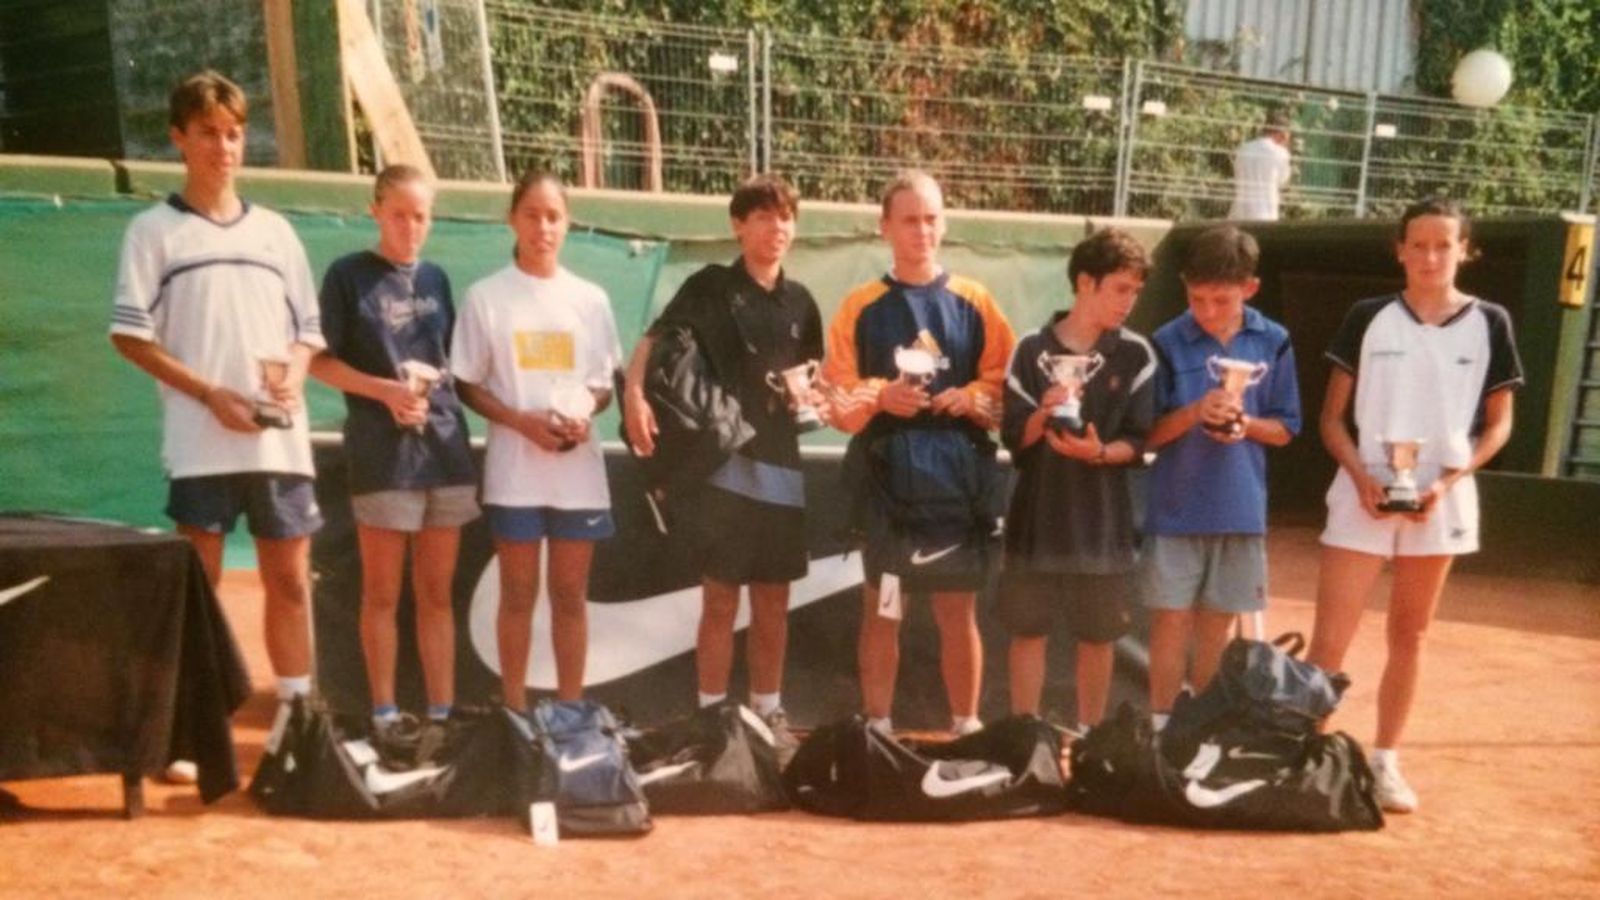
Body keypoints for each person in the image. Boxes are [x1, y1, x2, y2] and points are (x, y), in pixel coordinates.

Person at [109, 71, 324, 783]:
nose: (223, 146)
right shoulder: (152, 231)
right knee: (195, 588)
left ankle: (297, 719)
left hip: (279, 444)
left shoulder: (278, 232)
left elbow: (308, 333)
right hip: (201, 443)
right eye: (208, 132)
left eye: (233, 133)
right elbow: (130, 337)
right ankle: (189, 727)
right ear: (179, 137)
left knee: (289, 581)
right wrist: (211, 395)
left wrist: (292, 371)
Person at [1308, 198, 1522, 813]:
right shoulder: (1367, 317)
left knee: (1412, 633)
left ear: (1464, 251)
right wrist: (1361, 476)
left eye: (1444, 245)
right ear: (1400, 250)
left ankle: (1385, 763)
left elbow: (1499, 425)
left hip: (1442, 501)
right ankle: (1310, 755)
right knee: (1331, 640)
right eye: (1418, 244)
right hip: (1362, 495)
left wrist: (1447, 483)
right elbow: (1331, 418)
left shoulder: (1492, 322)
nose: (1431, 256)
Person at [622, 175, 824, 742]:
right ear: (738, 225)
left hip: (782, 468)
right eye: (762, 216)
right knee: (719, 599)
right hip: (723, 469)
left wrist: (814, 396)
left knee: (774, 601)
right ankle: (711, 715)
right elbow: (650, 342)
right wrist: (635, 396)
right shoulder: (710, 286)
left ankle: (767, 712)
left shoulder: (802, 302)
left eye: (785, 217)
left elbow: (814, 378)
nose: (776, 227)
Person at [822, 170, 1016, 737]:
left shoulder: (975, 300)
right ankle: (878, 727)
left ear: (945, 224)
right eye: (909, 220)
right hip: (886, 480)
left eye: (931, 218)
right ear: (885, 227)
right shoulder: (861, 305)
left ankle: (967, 724)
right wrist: (881, 396)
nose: (922, 231)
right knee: (883, 607)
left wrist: (973, 397)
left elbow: (1004, 386)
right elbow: (838, 398)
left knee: (957, 610)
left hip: (956, 478)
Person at [309, 164, 477, 755]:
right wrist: (385, 392)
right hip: (383, 459)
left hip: (447, 454)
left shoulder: (436, 278)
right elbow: (317, 362)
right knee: (381, 593)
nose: (410, 227)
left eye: (421, 216)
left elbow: (450, 364)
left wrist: (425, 400)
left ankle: (440, 715)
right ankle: (382, 712)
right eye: (399, 214)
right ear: (376, 210)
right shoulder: (347, 277)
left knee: (436, 594)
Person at [451, 170, 622, 713]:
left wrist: (582, 416)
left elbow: (602, 387)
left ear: (566, 224)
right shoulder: (486, 297)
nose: (543, 227)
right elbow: (467, 384)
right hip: (515, 475)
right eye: (532, 214)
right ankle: (514, 711)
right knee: (518, 596)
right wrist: (520, 421)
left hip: (577, 476)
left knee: (570, 597)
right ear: (512, 219)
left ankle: (571, 710)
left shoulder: (590, 300)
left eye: (553, 216)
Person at [1142, 225, 1301, 731]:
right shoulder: (1167, 340)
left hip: (1240, 510)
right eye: (1196, 297)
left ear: (1249, 289)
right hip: (1175, 509)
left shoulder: (1273, 340)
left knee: (1217, 626)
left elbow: (1285, 429)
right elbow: (1148, 435)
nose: (1206, 310)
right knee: (1170, 622)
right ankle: (1162, 726)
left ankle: (1198, 728)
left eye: (1220, 299)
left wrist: (1244, 425)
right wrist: (1194, 413)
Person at [999, 228, 1156, 732]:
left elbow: (1140, 441)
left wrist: (1099, 453)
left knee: (1098, 639)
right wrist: (1044, 414)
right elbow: (1013, 440)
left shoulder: (1137, 355)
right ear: (1085, 283)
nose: (1129, 302)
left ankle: (1089, 737)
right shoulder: (1028, 349)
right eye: (1120, 289)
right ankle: (1025, 736)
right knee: (1027, 635)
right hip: (1037, 521)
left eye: (1135, 291)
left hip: (1102, 526)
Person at [1229, 112, 1292, 221]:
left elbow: (1237, 176)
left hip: (1239, 213)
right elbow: (1283, 181)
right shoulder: (1281, 153)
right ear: (1283, 134)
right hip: (1265, 214)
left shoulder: (1243, 149)